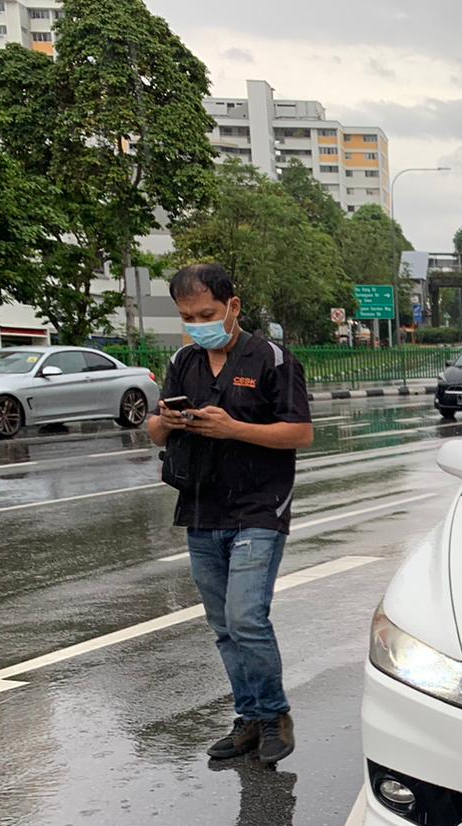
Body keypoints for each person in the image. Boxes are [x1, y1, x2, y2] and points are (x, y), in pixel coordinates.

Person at [147, 263, 314, 765]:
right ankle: (248, 718)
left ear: (233, 307)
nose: (197, 325)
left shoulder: (272, 359)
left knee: (246, 618)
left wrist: (233, 428)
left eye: (207, 314)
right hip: (202, 507)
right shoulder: (184, 361)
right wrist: (167, 422)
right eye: (187, 317)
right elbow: (154, 431)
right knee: (223, 625)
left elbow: (300, 433)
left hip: (259, 506)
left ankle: (274, 716)